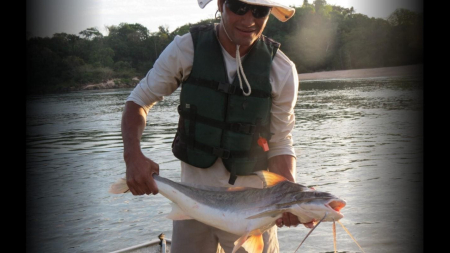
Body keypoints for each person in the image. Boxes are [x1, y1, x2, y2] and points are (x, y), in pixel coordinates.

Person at [121, 0, 314, 252]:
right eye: (239, 7)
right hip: (191, 200)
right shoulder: (186, 48)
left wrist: (289, 195)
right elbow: (138, 101)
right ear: (222, 4)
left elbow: (280, 141)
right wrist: (133, 155)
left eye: (260, 10)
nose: (248, 20)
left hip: (253, 210)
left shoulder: (282, 70)